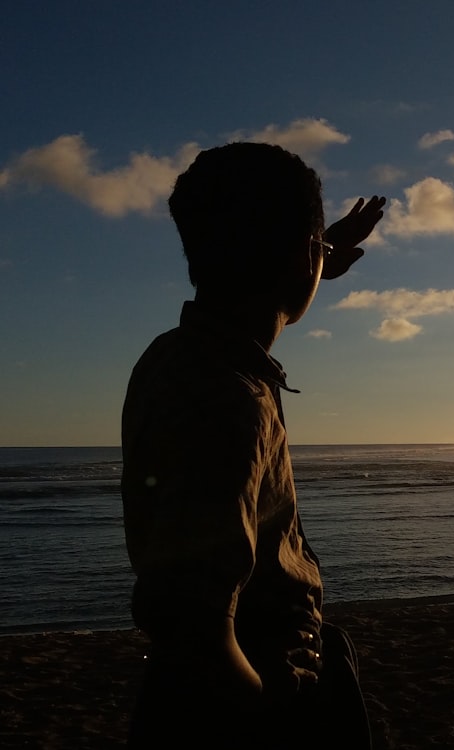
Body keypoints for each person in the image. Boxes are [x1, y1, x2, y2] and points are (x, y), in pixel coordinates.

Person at [120, 142, 385, 748]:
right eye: (314, 247)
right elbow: (193, 623)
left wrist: (315, 249)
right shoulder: (227, 398)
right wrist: (271, 707)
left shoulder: (179, 355)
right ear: (299, 258)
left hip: (236, 680)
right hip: (252, 695)